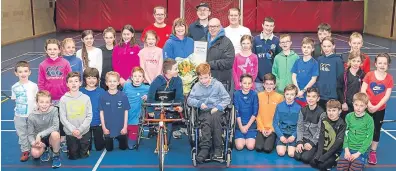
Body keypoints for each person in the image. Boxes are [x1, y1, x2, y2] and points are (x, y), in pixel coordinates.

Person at [187, 63, 231, 163]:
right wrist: (199, 103)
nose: (204, 81)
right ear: (198, 77)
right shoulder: (196, 86)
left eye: (206, 77)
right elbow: (189, 100)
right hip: (204, 111)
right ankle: (205, 148)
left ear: (210, 75)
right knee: (206, 120)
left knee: (214, 118)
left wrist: (218, 107)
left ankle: (217, 148)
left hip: (217, 110)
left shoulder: (218, 85)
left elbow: (227, 99)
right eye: (201, 78)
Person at [38, 38, 72, 152]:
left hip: (63, 97)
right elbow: (41, 82)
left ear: (59, 50)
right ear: (46, 50)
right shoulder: (42, 65)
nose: (52, 51)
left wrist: (69, 93)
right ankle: (51, 141)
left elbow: (69, 79)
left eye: (54, 49)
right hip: (49, 100)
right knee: (51, 121)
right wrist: (43, 98)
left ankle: (63, 139)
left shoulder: (65, 63)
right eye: (49, 49)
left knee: (63, 119)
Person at [360, 53, 393, 165]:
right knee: (364, 128)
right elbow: (363, 90)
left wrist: (377, 107)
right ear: (375, 64)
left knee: (376, 129)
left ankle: (373, 151)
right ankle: (362, 148)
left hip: (380, 109)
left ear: (388, 65)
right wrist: (368, 104)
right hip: (367, 107)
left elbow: (387, 96)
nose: (382, 65)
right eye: (380, 63)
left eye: (385, 63)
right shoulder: (369, 75)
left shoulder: (389, 78)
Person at [147, 59, 184, 143]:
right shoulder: (157, 81)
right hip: (157, 106)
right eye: (175, 69)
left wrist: (179, 106)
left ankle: (165, 141)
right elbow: (150, 95)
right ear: (168, 71)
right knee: (158, 120)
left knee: (168, 127)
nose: (178, 70)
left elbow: (179, 96)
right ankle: (157, 129)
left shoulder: (178, 80)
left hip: (171, 106)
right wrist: (150, 110)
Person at [336, 93, 374, 170]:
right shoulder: (348, 116)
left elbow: (369, 139)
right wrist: (346, 150)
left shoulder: (369, 120)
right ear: (353, 104)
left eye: (361, 105)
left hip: (360, 151)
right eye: (356, 105)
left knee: (354, 169)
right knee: (341, 168)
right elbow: (345, 134)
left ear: (366, 106)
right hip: (348, 148)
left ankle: (362, 160)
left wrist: (358, 154)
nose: (358, 108)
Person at [59, 72, 92, 159]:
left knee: (84, 155)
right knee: (73, 156)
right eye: (71, 81)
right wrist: (73, 130)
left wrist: (80, 129)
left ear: (80, 83)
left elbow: (89, 116)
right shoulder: (63, 99)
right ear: (67, 84)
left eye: (76, 81)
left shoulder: (86, 98)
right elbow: (62, 117)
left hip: (84, 131)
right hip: (70, 132)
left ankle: (86, 148)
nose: (73, 83)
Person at [11, 61, 39, 162]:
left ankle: (35, 148)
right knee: (22, 134)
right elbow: (15, 100)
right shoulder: (14, 87)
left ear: (29, 72)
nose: (23, 74)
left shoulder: (34, 86)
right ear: (16, 73)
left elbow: (37, 99)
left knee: (33, 132)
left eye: (25, 71)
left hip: (32, 115)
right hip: (19, 116)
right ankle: (25, 151)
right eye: (20, 72)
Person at [27, 90, 61, 168]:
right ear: (37, 103)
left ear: (50, 103)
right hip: (40, 140)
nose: (44, 105)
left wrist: (40, 134)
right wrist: (34, 143)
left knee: (55, 134)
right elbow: (30, 134)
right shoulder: (32, 116)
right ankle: (45, 149)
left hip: (51, 137)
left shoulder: (54, 110)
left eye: (47, 102)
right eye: (41, 102)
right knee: (35, 154)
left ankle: (56, 155)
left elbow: (56, 126)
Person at [99, 71, 130, 151]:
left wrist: (125, 127)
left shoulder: (123, 95)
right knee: (109, 149)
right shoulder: (103, 96)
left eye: (114, 81)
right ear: (106, 83)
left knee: (123, 148)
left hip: (121, 128)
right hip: (108, 128)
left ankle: (120, 137)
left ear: (118, 82)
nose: (112, 83)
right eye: (110, 81)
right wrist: (104, 128)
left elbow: (126, 111)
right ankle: (110, 137)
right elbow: (101, 112)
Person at [311, 100, 346, 171]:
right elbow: (321, 137)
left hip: (334, 152)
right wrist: (319, 153)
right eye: (329, 110)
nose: (331, 113)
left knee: (322, 166)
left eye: (334, 110)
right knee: (313, 163)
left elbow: (337, 143)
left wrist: (325, 156)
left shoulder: (342, 124)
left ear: (339, 111)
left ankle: (334, 162)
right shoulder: (324, 120)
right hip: (324, 149)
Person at [295, 88, 326, 163]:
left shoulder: (322, 113)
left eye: (313, 96)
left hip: (314, 140)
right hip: (304, 138)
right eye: (308, 96)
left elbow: (320, 131)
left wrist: (312, 143)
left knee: (305, 158)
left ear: (318, 99)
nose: (310, 99)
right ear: (306, 98)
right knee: (297, 156)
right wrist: (299, 141)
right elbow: (299, 127)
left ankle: (316, 150)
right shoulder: (303, 110)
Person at [255, 73, 283, 153]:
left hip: (272, 129)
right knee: (258, 148)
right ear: (263, 84)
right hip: (261, 128)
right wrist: (261, 128)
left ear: (274, 85)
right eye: (267, 84)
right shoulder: (259, 96)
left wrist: (272, 129)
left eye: (271, 84)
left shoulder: (280, 97)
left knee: (267, 149)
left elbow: (279, 116)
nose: (269, 86)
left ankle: (273, 139)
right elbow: (257, 113)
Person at [123, 67, 149, 149]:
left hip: (136, 117)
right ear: (131, 78)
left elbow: (153, 98)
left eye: (140, 76)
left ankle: (136, 132)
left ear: (143, 79)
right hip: (125, 116)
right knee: (122, 144)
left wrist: (147, 97)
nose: (137, 78)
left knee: (130, 146)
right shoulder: (126, 86)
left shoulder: (147, 88)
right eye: (135, 76)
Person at [205, 18, 235, 89]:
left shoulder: (227, 42)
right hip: (205, 81)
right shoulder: (203, 40)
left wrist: (209, 64)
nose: (212, 29)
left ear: (220, 27)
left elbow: (229, 62)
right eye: (210, 26)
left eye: (215, 26)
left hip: (221, 82)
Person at [253, 17, 281, 92]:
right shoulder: (255, 40)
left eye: (271, 26)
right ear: (262, 25)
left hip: (271, 81)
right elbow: (252, 60)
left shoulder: (277, 41)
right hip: (258, 80)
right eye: (267, 25)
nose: (269, 28)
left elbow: (279, 61)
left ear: (274, 27)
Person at [80, 68, 106, 151]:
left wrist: (104, 122)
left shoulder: (101, 91)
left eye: (94, 78)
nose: (91, 80)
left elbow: (105, 107)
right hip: (85, 124)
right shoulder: (80, 91)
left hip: (98, 123)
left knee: (99, 147)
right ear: (84, 79)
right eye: (89, 78)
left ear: (98, 79)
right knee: (88, 148)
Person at [273, 84, 301, 157]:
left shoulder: (299, 108)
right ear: (284, 94)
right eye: (287, 94)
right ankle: (283, 144)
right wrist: (281, 136)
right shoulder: (279, 106)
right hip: (282, 133)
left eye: (292, 94)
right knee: (281, 153)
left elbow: (300, 125)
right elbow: (275, 123)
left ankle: (290, 146)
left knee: (291, 154)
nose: (289, 96)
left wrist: (294, 136)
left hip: (293, 134)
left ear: (295, 95)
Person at [317, 36, 344, 110]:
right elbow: (317, 77)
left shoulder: (338, 60)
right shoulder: (319, 59)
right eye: (324, 46)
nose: (326, 48)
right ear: (321, 46)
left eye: (329, 46)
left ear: (333, 46)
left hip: (332, 96)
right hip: (321, 95)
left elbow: (340, 79)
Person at [337, 52, 365, 120]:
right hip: (346, 105)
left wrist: (361, 105)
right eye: (354, 60)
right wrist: (343, 102)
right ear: (349, 61)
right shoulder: (344, 74)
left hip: (358, 105)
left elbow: (364, 90)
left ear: (361, 63)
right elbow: (338, 89)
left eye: (358, 61)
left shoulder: (363, 75)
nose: (356, 63)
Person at [291, 37, 319, 107]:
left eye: (308, 47)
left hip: (308, 94)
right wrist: (297, 89)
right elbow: (294, 76)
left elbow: (313, 79)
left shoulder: (314, 63)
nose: (306, 49)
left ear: (312, 49)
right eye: (304, 47)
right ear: (301, 48)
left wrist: (303, 91)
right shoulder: (297, 61)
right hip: (297, 93)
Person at [234, 74, 258, 150]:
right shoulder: (236, 94)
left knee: (250, 147)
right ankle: (242, 139)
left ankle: (248, 139)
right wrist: (241, 127)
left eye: (249, 83)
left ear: (252, 84)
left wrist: (247, 126)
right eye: (244, 83)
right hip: (239, 125)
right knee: (239, 147)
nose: (247, 85)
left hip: (251, 125)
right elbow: (237, 113)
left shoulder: (254, 94)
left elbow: (255, 112)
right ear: (240, 83)